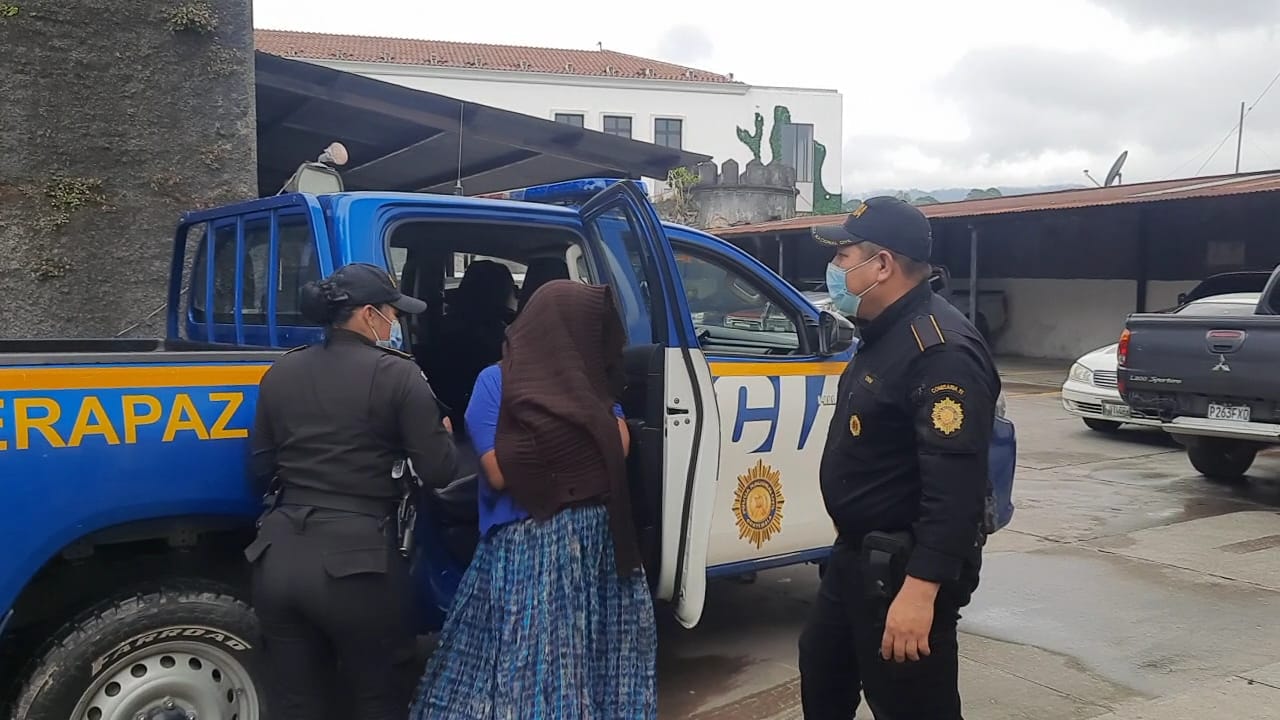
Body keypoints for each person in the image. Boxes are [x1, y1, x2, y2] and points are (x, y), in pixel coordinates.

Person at [410, 279, 657, 720]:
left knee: (592, 656)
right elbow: (500, 472)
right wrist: (581, 437)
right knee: (536, 666)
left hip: (596, 545)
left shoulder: (593, 384)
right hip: (528, 549)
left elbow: (618, 449)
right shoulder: (496, 381)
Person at [798, 197, 1000, 719]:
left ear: (882, 264)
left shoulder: (940, 351)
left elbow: (955, 489)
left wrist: (920, 592)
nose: (835, 270)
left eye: (843, 257)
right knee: (822, 672)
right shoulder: (883, 333)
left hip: (902, 573)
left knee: (910, 704)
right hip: (855, 560)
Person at [245, 262, 457, 720]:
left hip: (277, 558)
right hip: (359, 567)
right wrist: (440, 431)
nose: (396, 322)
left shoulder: (280, 372)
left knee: (297, 703)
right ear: (367, 314)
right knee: (378, 698)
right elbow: (439, 471)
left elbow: (260, 468)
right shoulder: (398, 375)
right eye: (392, 312)